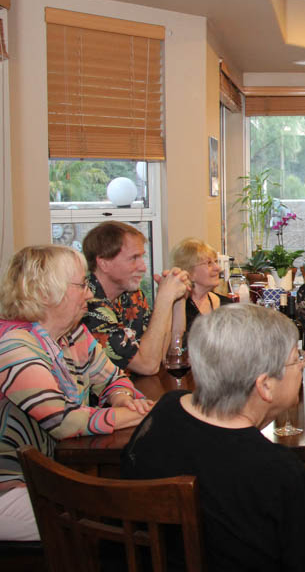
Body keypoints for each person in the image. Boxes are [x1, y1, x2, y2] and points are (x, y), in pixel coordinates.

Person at [121, 304, 305, 572]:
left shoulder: (165, 410)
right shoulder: (282, 473)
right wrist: (301, 529)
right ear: (264, 385)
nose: (302, 364)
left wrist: (296, 526)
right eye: (296, 358)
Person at [0, 245, 152, 542]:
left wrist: (121, 397)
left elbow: (113, 378)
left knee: (127, 512)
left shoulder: (72, 335)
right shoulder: (13, 346)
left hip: (44, 477)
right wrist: (145, 412)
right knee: (115, 522)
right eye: (81, 285)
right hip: (8, 488)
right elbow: (64, 421)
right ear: (46, 292)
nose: (90, 293)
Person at [81, 221, 191, 374]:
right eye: (133, 258)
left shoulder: (131, 295)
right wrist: (164, 299)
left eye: (142, 257)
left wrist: (178, 299)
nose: (143, 267)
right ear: (104, 263)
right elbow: (147, 365)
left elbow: (163, 354)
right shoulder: (88, 306)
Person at [169, 238, 234, 346]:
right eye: (209, 263)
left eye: (216, 261)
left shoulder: (227, 304)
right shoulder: (177, 308)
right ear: (189, 272)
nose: (218, 268)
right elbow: (174, 349)